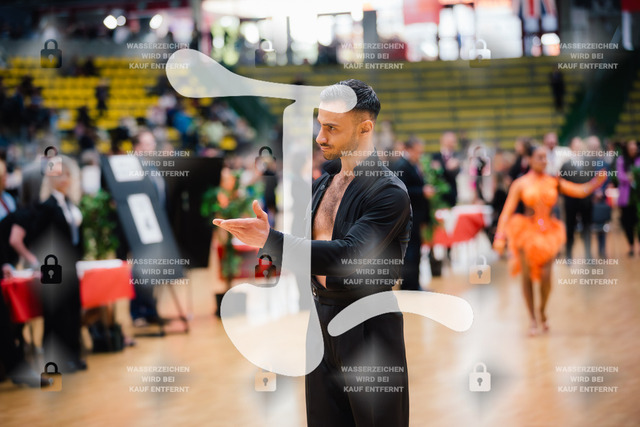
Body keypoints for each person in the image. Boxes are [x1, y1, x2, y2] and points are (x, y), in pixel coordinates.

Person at [214, 80, 411, 426]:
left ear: (365, 129)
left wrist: (272, 241)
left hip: (368, 326)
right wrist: (270, 239)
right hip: (320, 322)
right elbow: (315, 247)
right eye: (320, 124)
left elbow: (347, 256)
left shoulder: (389, 192)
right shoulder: (323, 184)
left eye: (332, 128)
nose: (320, 137)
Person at [493, 145, 606, 336]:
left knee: (546, 276)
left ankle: (542, 310)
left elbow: (579, 191)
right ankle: (532, 318)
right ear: (529, 159)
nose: (543, 161)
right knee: (527, 276)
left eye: (545, 157)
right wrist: (499, 236)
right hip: (526, 232)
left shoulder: (553, 181)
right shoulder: (520, 183)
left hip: (548, 233)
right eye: (539, 157)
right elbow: (507, 211)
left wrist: (596, 183)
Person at [8, 156, 86, 372]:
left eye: (67, 174)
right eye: (60, 175)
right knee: (56, 314)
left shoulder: (70, 204)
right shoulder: (46, 207)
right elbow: (38, 238)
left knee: (73, 310)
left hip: (71, 265)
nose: (64, 179)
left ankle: (73, 354)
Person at [392, 137, 432, 291]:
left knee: (415, 252)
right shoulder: (402, 165)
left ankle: (414, 284)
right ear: (408, 150)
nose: (419, 154)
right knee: (410, 253)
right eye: (417, 151)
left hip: (416, 216)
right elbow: (400, 190)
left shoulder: (413, 165)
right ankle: (409, 286)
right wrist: (422, 191)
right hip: (407, 217)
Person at [560, 137, 593, 259]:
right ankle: (569, 255)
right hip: (570, 202)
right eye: (575, 145)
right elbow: (561, 183)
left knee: (587, 228)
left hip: (586, 201)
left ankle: (588, 256)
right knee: (570, 228)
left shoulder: (589, 163)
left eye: (580, 144)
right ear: (571, 147)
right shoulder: (565, 165)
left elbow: (592, 180)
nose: (578, 147)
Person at [616, 139, 640, 256]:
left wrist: (633, 175)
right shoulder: (621, 160)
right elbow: (620, 176)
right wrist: (630, 177)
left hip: (638, 197)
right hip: (626, 197)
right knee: (627, 223)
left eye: (634, 146)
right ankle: (631, 246)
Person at [431, 131, 460, 207]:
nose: (451, 143)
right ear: (442, 141)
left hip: (452, 194)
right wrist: (445, 168)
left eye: (453, 141)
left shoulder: (457, 157)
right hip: (438, 195)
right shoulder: (434, 157)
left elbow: (456, 174)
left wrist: (442, 168)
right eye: (449, 141)